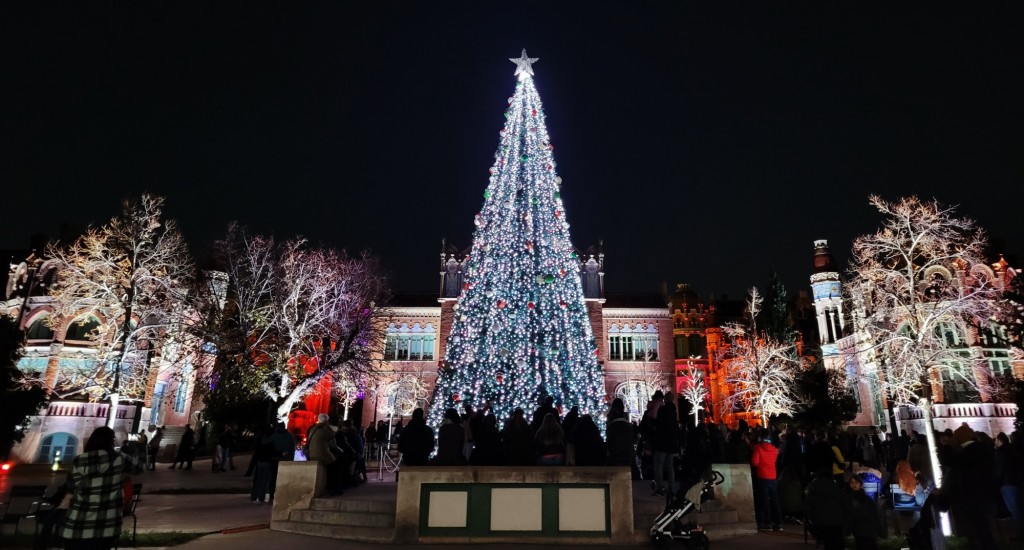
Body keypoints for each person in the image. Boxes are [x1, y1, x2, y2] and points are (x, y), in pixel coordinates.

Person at [59, 426, 126, 550]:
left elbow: (70, 487)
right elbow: (140, 466)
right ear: (111, 441)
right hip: (107, 524)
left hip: (78, 521)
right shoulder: (119, 459)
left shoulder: (79, 460)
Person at [804, 468, 850, 550]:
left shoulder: (813, 487)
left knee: (827, 543)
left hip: (820, 519)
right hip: (836, 520)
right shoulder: (835, 487)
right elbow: (845, 503)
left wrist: (813, 519)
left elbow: (809, 506)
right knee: (837, 542)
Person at [750, 428, 782, 531]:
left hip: (762, 476)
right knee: (775, 500)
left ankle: (768, 523)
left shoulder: (758, 448)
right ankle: (778, 523)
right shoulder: (774, 449)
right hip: (773, 476)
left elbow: (754, 462)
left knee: (765, 501)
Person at [994, 432, 1023, 541]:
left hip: (1007, 483)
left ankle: (1020, 534)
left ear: (1000, 441)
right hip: (1016, 482)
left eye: (996, 440)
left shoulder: (1000, 453)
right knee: (1018, 508)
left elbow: (999, 470)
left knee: (1014, 510)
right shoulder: (1013, 451)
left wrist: (997, 481)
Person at [651, 391, 679, 497]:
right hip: (671, 444)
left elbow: (655, 421)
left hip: (662, 443)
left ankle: (660, 488)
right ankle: (672, 489)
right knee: (670, 466)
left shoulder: (663, 410)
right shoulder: (674, 411)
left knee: (659, 466)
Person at [847, 473, 882, 550]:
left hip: (864, 528)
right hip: (858, 529)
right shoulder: (848, 497)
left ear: (860, 484)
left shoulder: (864, 498)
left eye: (856, 483)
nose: (854, 485)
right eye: (852, 483)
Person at [606, 398, 636, 470]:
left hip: (615, 454)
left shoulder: (611, 423)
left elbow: (609, 440)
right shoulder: (628, 425)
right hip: (627, 453)